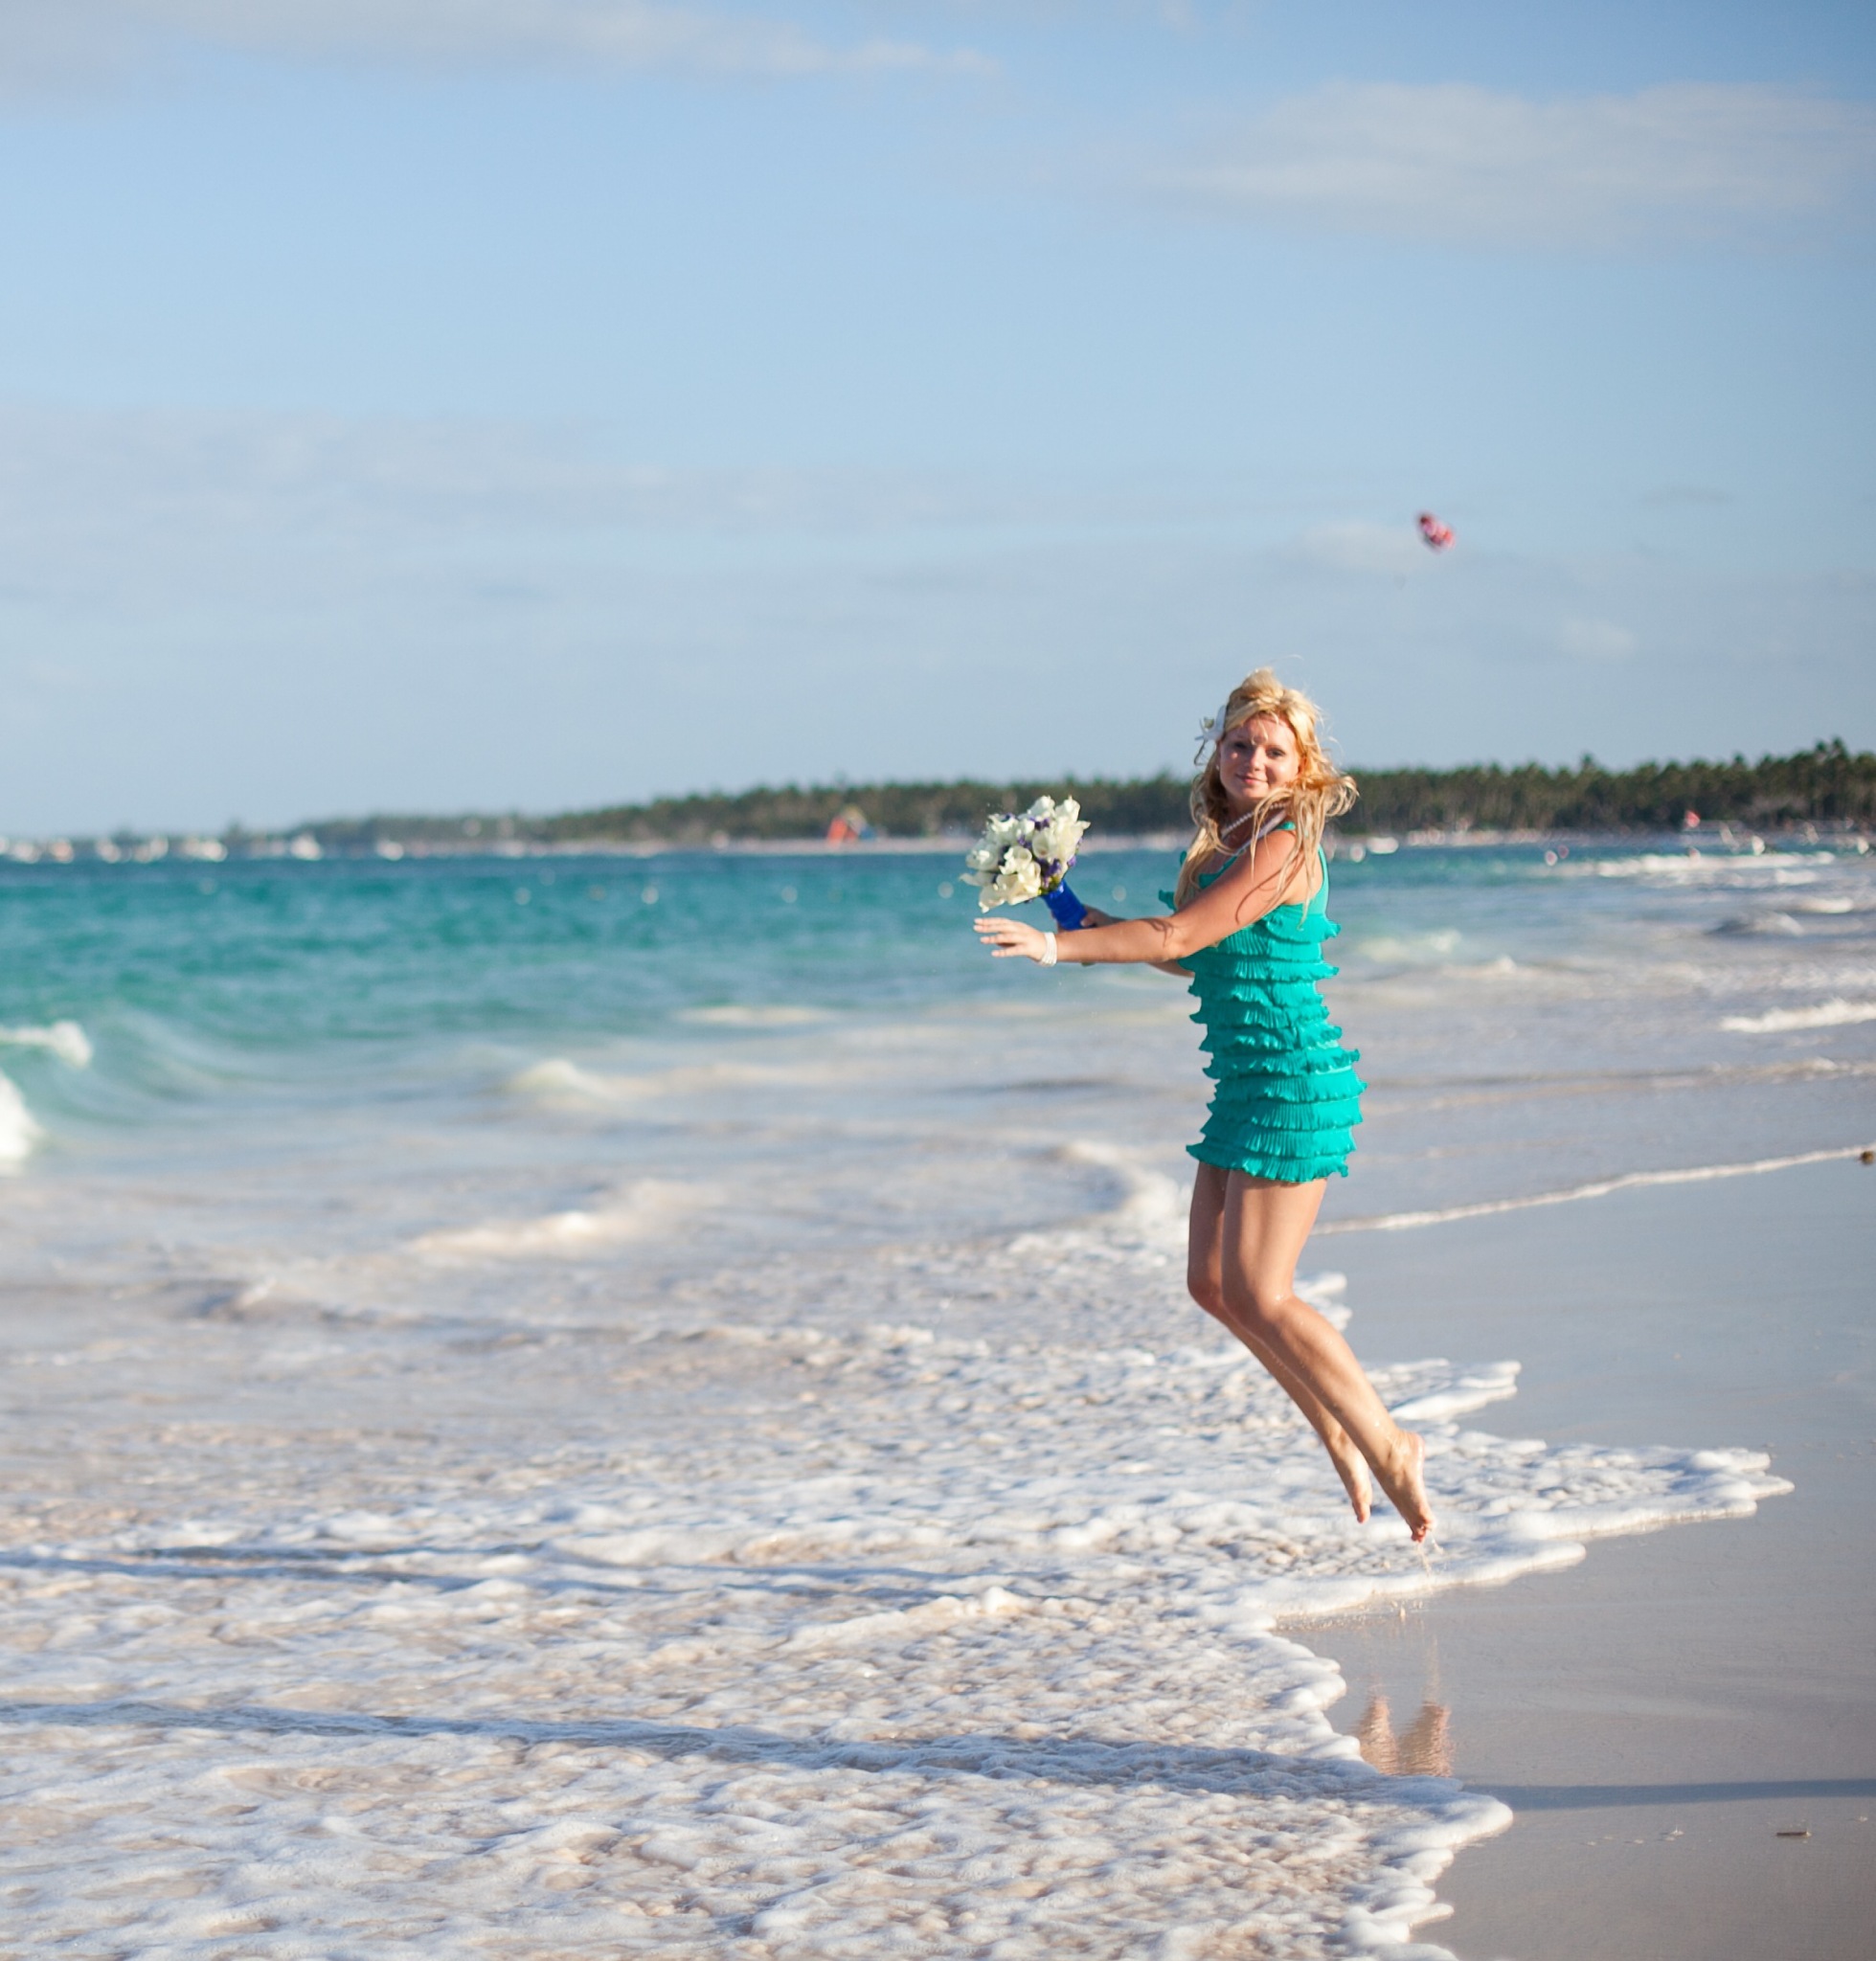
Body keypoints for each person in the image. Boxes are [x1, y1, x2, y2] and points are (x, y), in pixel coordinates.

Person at [974, 669, 1432, 1541]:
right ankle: (1336, 1430)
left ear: (1302, 768)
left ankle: (1389, 1442)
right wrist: (1061, 900)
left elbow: (1178, 932)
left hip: (1293, 1082)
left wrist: (1054, 950)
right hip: (1244, 1084)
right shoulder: (1223, 849)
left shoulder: (1284, 844)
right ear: (1215, 751)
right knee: (1212, 1286)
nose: (1253, 761)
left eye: (1273, 751)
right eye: (1239, 744)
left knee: (1263, 1292)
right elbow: (1188, 957)